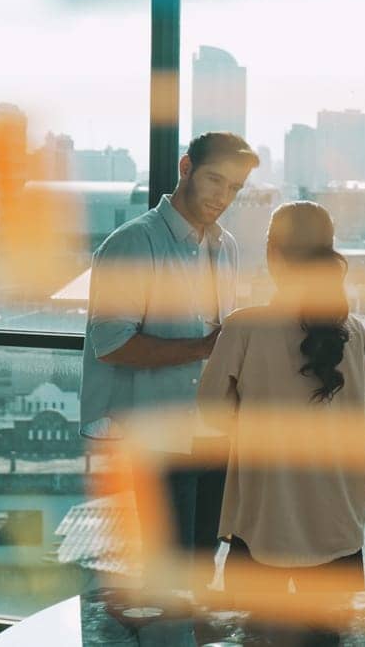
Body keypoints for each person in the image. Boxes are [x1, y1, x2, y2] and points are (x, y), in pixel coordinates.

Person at [82, 131, 258, 586]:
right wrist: (203, 348)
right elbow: (112, 343)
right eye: (214, 180)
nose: (223, 197)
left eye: (234, 188)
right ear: (185, 169)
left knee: (200, 567)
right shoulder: (134, 244)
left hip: (213, 434)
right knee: (165, 576)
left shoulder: (227, 248)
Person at [198, 202, 365, 647]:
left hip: (264, 528)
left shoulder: (244, 329)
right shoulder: (356, 334)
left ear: (272, 256)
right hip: (338, 530)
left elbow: (210, 413)